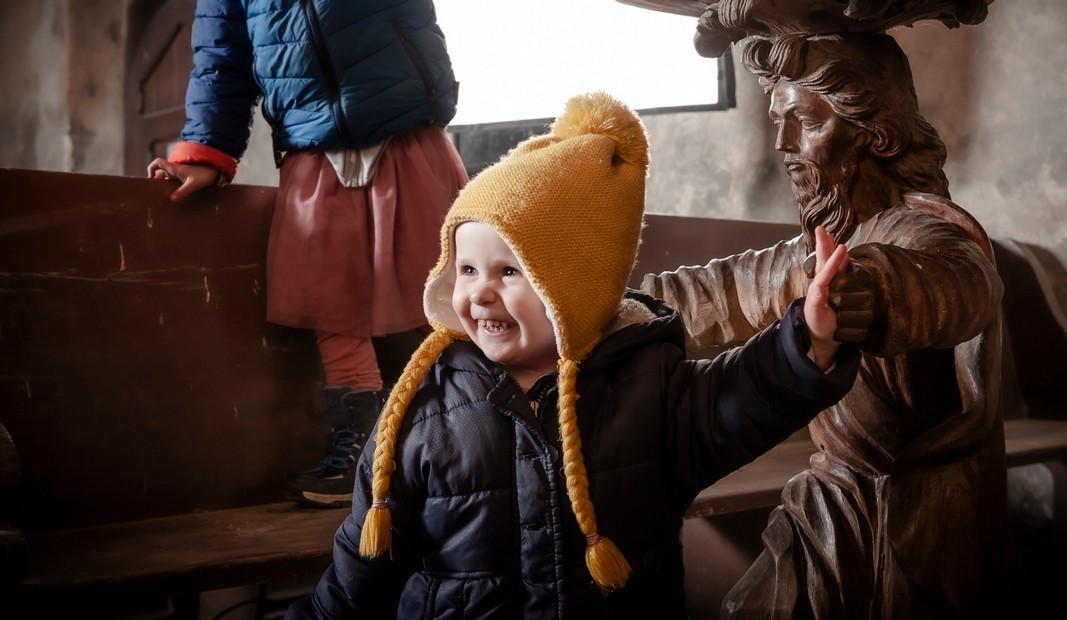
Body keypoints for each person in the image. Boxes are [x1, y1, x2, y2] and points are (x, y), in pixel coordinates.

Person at [285, 92, 860, 618]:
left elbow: (740, 398)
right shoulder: (424, 409)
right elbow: (357, 576)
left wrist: (809, 339)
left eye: (509, 271)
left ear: (574, 289)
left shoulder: (649, 387)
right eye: (466, 269)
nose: (479, 291)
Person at [639, 32, 1007, 619]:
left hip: (913, 515)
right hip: (835, 498)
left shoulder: (924, 232)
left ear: (873, 133)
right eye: (776, 121)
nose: (783, 144)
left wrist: (877, 289)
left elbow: (961, 287)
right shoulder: (813, 252)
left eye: (803, 119)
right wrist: (586, 305)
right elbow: (711, 293)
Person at [146, 0, 468, 508]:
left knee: (442, 292)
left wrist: (435, 95)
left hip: (402, 126)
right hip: (310, 145)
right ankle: (362, 444)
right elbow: (220, 59)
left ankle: (474, 436)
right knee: (328, 296)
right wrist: (206, 150)